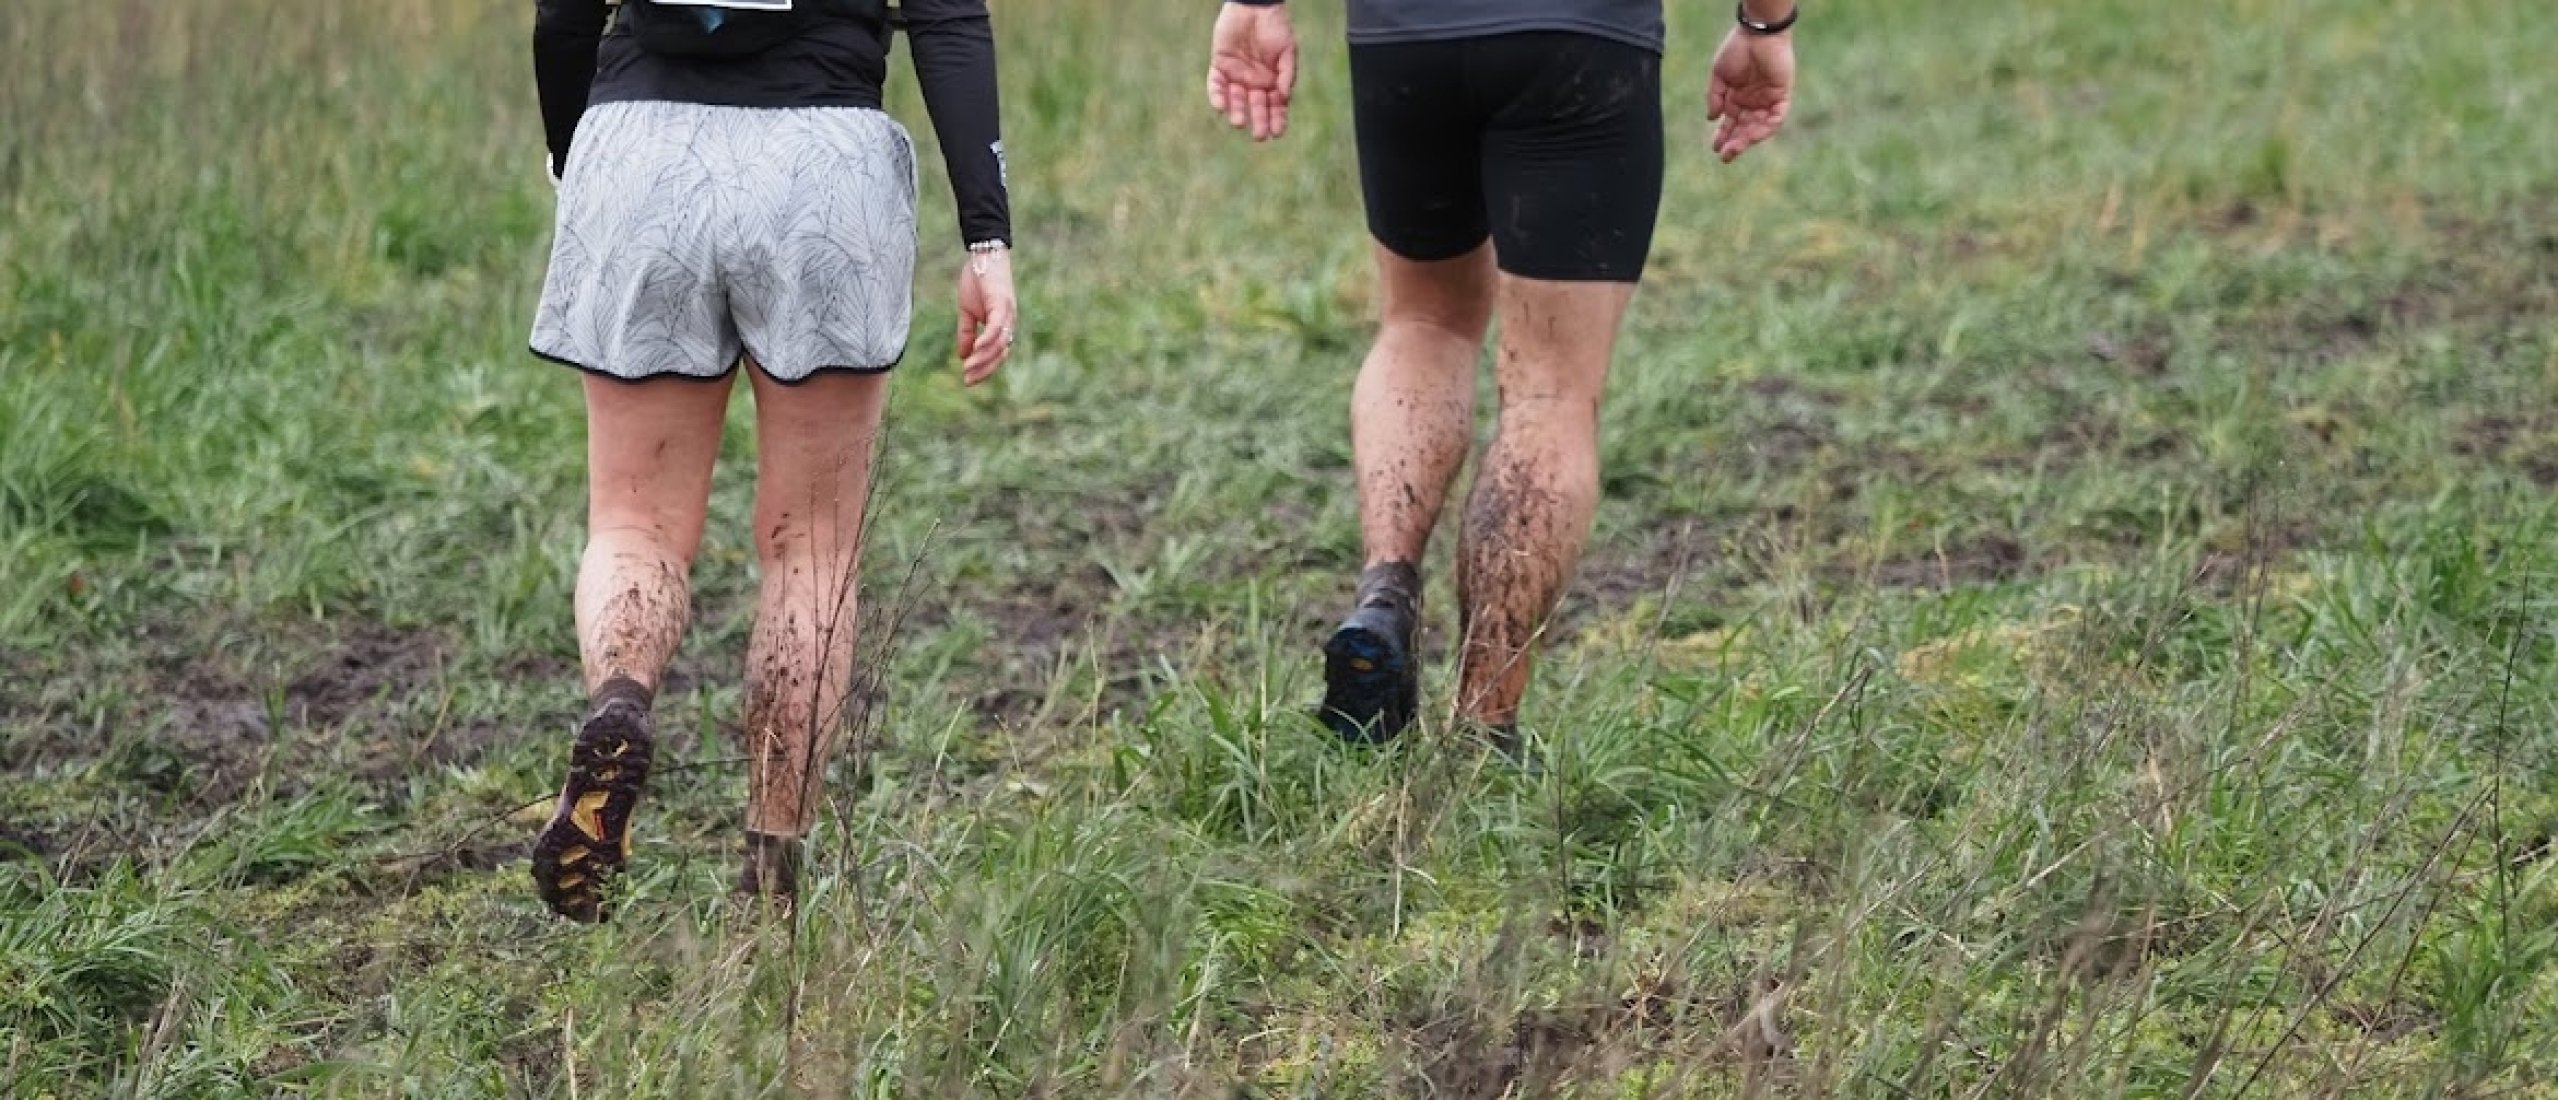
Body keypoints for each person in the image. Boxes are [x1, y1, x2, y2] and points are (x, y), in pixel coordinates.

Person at [526, 0, 1018, 922]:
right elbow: (949, 19)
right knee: (812, 547)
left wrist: (576, 153)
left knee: (636, 522)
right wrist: (986, 237)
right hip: (823, 165)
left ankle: (621, 705)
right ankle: (769, 881)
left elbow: (563, 16)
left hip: (639, 154)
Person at [1206, 0, 1798, 750]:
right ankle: (1485, 725)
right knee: (1551, 390)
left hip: (1404, 38)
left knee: (1421, 324)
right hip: (1582, 39)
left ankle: (1385, 592)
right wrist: (1763, 25)